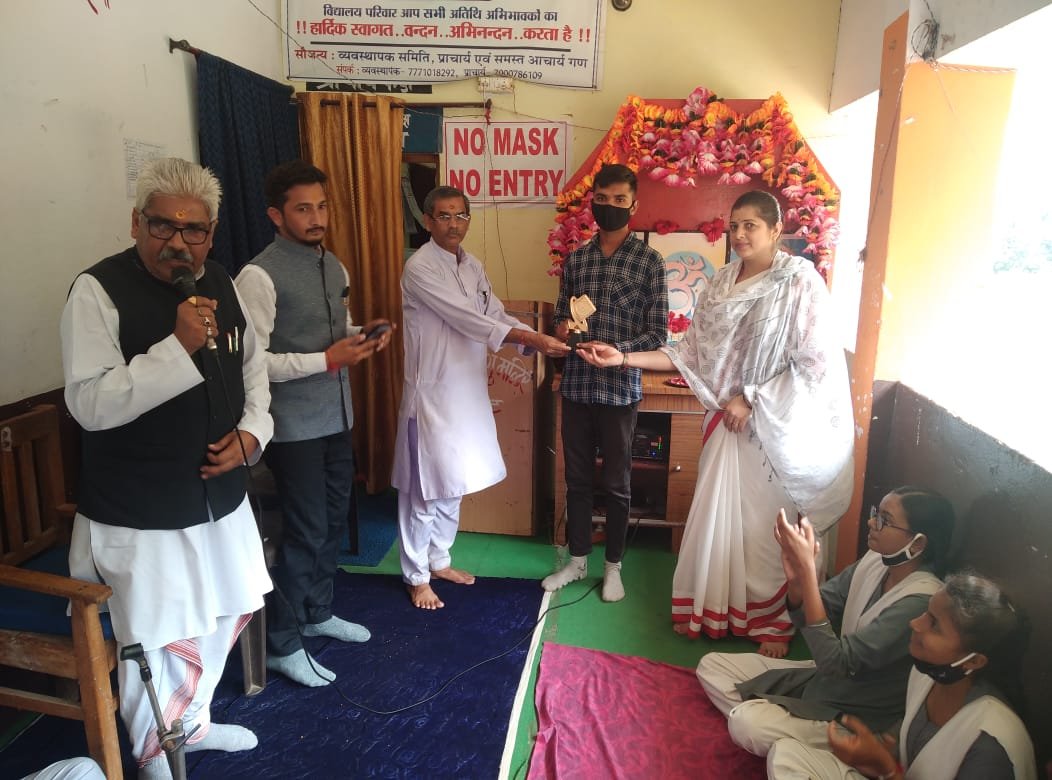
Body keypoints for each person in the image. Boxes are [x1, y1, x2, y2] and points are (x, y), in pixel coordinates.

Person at [61, 157, 272, 778]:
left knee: (224, 610)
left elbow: (253, 369)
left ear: (211, 233)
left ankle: (193, 724)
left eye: (194, 229)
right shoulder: (97, 290)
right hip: (141, 510)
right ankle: (156, 753)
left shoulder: (224, 282)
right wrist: (176, 347)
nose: (178, 242)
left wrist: (254, 434)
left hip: (221, 499)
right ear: (136, 223)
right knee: (157, 638)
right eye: (162, 225)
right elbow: (89, 404)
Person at [576, 190, 853, 650]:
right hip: (725, 424)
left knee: (765, 532)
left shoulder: (799, 282)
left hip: (772, 430)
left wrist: (753, 398)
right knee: (719, 525)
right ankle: (717, 613)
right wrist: (621, 357)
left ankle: (772, 623)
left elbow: (814, 363)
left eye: (751, 226)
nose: (740, 234)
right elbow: (689, 354)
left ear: (776, 230)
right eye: (734, 225)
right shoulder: (722, 282)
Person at [235, 160, 393, 687]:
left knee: (332, 520)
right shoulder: (257, 276)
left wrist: (360, 335)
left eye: (322, 206)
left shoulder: (334, 266)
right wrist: (326, 359)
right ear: (276, 215)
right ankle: (281, 643)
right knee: (305, 530)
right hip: (290, 426)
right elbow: (253, 362)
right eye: (303, 209)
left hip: (335, 415)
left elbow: (333, 331)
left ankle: (316, 612)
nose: (317, 217)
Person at [392, 185, 569, 610]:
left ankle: (439, 560)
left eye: (461, 215)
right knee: (424, 491)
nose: (453, 224)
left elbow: (494, 313)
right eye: (444, 216)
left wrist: (536, 338)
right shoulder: (420, 268)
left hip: (466, 393)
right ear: (427, 221)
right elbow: (466, 319)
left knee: (453, 482)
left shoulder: (472, 265)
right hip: (431, 396)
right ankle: (416, 576)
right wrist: (534, 340)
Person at [697, 486, 954, 759]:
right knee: (712, 666)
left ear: (917, 544)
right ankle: (788, 735)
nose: (871, 522)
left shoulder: (919, 602)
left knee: (747, 725)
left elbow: (836, 663)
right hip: (823, 677)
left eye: (884, 520)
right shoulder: (875, 562)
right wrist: (798, 583)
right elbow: (813, 613)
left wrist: (809, 572)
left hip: (856, 713)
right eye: (875, 513)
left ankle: (831, 746)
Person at [542, 163, 669, 603]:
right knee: (576, 480)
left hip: (620, 390)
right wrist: (563, 329)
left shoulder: (650, 262)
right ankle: (577, 561)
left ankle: (613, 567)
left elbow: (658, 335)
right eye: (602, 199)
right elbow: (562, 316)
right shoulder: (577, 260)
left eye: (619, 200)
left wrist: (619, 352)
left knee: (617, 484)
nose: (609, 206)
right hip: (577, 385)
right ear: (592, 201)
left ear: (633, 206)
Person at [768, 573, 1037, 779]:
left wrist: (886, 769)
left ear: (975, 661)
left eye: (934, 624)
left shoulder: (989, 745)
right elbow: (909, 740)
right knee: (787, 755)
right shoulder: (926, 675)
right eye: (926, 613)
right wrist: (880, 750)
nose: (915, 623)